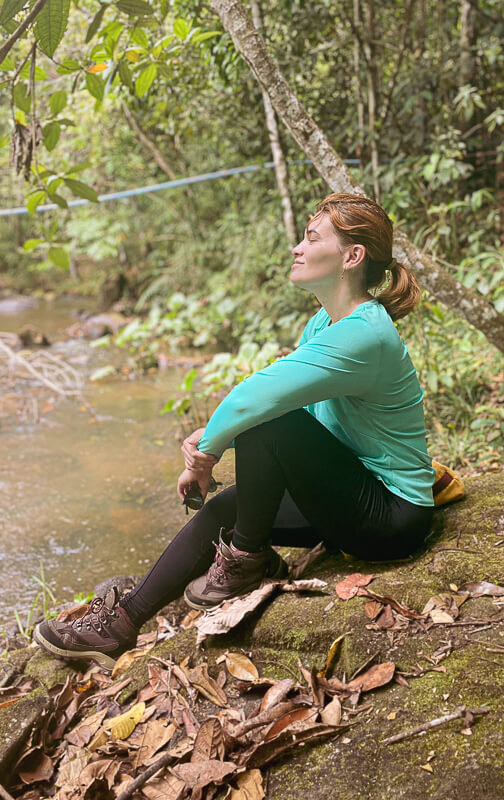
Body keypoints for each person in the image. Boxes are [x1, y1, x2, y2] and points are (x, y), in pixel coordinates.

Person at [34, 193, 435, 671]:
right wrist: (212, 433)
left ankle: (245, 557)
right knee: (228, 505)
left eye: (311, 237)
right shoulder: (325, 323)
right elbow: (284, 400)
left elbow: (258, 400)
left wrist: (206, 453)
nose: (297, 248)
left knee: (265, 422)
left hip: (392, 515)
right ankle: (123, 622)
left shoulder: (364, 333)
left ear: (352, 256)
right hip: (352, 495)